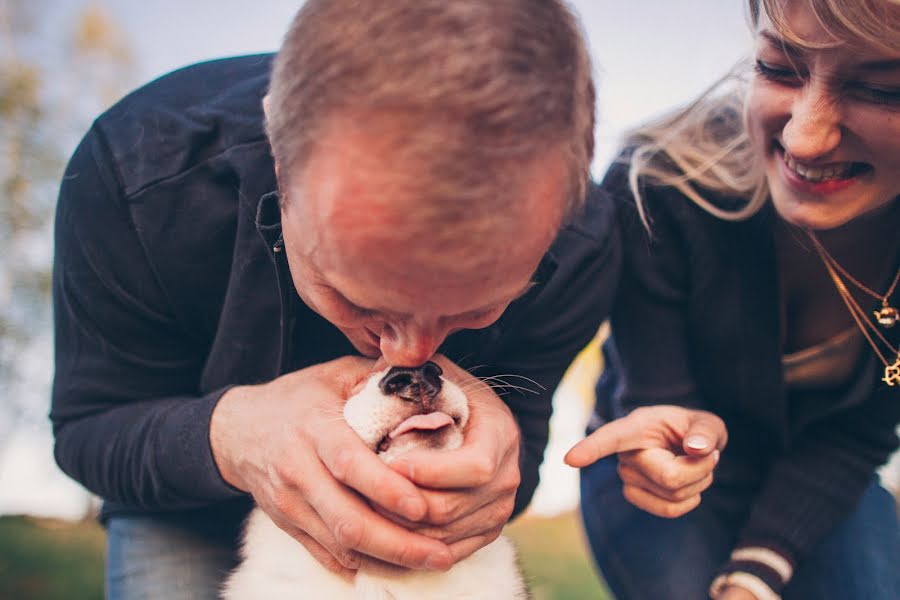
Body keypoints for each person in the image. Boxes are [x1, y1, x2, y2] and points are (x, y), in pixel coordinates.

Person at [50, 1, 619, 598]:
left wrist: (494, 468)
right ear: (279, 156)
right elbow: (90, 428)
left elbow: (518, 462)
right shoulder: (137, 173)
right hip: (178, 505)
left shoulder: (585, 241)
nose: (411, 354)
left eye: (474, 311)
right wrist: (231, 434)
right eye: (360, 299)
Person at [565, 0, 900, 598]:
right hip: (654, 476)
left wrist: (756, 572)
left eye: (881, 90)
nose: (805, 137)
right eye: (778, 68)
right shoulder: (660, 186)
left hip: (823, 478)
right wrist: (673, 437)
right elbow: (660, 410)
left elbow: (858, 433)